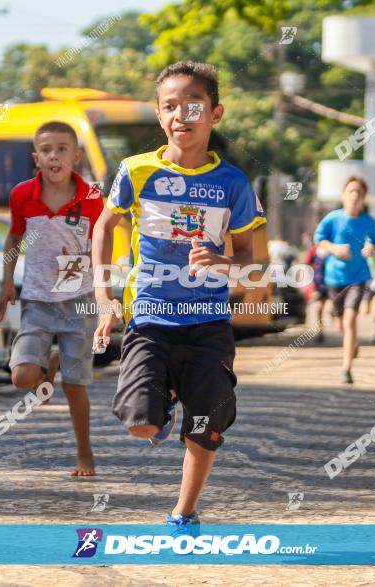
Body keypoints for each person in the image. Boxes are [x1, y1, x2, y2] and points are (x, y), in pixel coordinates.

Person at [91, 61, 265, 534]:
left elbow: (252, 261)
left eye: (192, 106)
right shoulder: (135, 170)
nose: (180, 116)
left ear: (215, 114)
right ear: (159, 114)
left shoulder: (233, 184)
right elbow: (104, 226)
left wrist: (223, 263)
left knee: (206, 425)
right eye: (169, 106)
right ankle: (162, 403)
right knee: (141, 424)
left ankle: (183, 514)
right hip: (151, 316)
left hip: (208, 324)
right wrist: (104, 296)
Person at [0, 121, 103, 476]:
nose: (54, 155)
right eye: (46, 150)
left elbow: (101, 244)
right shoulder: (22, 195)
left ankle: (84, 454)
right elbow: (13, 238)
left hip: (80, 301)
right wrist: (7, 282)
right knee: (22, 377)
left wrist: (104, 289)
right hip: (38, 301)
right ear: (36, 157)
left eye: (61, 149)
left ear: (76, 156)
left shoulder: (92, 198)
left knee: (75, 387)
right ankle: (47, 366)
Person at [314, 175, 375, 384]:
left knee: (351, 318)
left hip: (358, 277)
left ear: (364, 198)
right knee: (340, 323)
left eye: (359, 193)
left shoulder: (369, 221)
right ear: (343, 195)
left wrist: (372, 248)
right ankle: (351, 343)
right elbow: (319, 240)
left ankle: (346, 368)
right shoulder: (333, 218)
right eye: (351, 191)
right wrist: (334, 248)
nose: (354, 196)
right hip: (334, 277)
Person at [302, 241, 330, 342]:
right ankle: (320, 331)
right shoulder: (314, 249)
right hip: (318, 284)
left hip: (334, 283)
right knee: (318, 308)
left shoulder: (334, 247)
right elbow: (306, 265)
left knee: (330, 309)